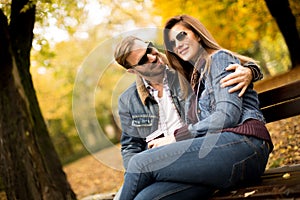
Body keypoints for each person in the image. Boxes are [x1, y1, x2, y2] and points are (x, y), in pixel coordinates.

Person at [117, 15, 273, 200]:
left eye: (182, 35)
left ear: (197, 34)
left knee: (140, 164)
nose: (153, 57)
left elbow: (227, 114)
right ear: (133, 70)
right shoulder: (191, 74)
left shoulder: (213, 61)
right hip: (202, 157)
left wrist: (251, 71)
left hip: (241, 143)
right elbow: (130, 146)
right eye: (143, 60)